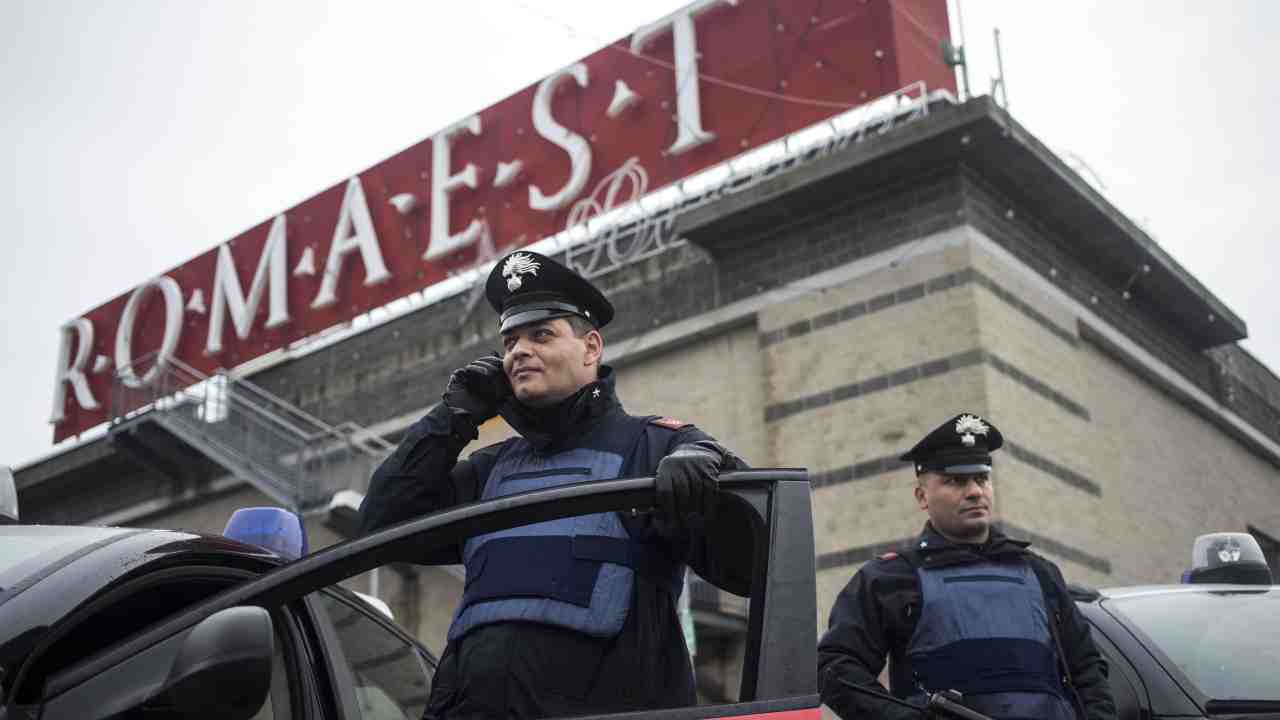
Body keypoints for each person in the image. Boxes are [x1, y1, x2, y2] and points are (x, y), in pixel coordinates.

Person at [358, 250, 748, 719]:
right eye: (510, 342)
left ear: (591, 348)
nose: (519, 350)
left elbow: (748, 567)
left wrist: (710, 487)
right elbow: (380, 526)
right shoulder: (490, 471)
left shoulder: (656, 449)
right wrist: (452, 417)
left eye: (541, 335)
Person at [817, 413, 1116, 720]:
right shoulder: (892, 578)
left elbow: (1088, 671)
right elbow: (835, 667)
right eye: (956, 481)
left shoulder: (1041, 574)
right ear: (922, 496)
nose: (975, 491)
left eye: (982, 478)